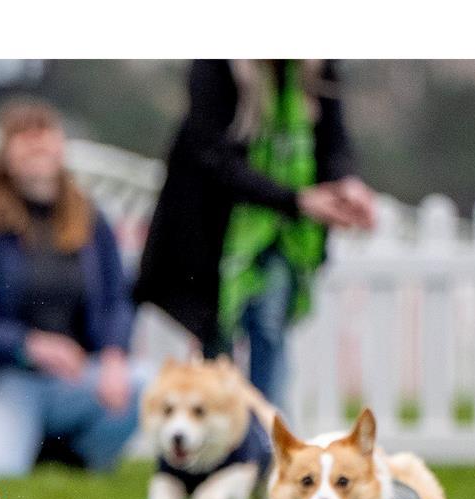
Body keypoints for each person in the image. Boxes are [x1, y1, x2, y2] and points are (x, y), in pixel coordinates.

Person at [133, 60, 376, 407]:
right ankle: (220, 441)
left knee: (268, 325)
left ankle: (268, 437)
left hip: (282, 235)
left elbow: (333, 140)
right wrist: (297, 199)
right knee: (217, 339)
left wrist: (347, 183)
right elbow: (212, 156)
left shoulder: (318, 68)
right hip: (211, 232)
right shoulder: (216, 66)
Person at [0, 99, 140, 478]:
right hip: (7, 380)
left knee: (147, 387)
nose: (37, 146)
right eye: (24, 137)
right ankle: (25, 445)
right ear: (5, 152)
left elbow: (118, 298)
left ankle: (81, 458)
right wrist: (31, 345)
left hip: (78, 377)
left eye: (46, 135)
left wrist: (114, 356)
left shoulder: (90, 218)